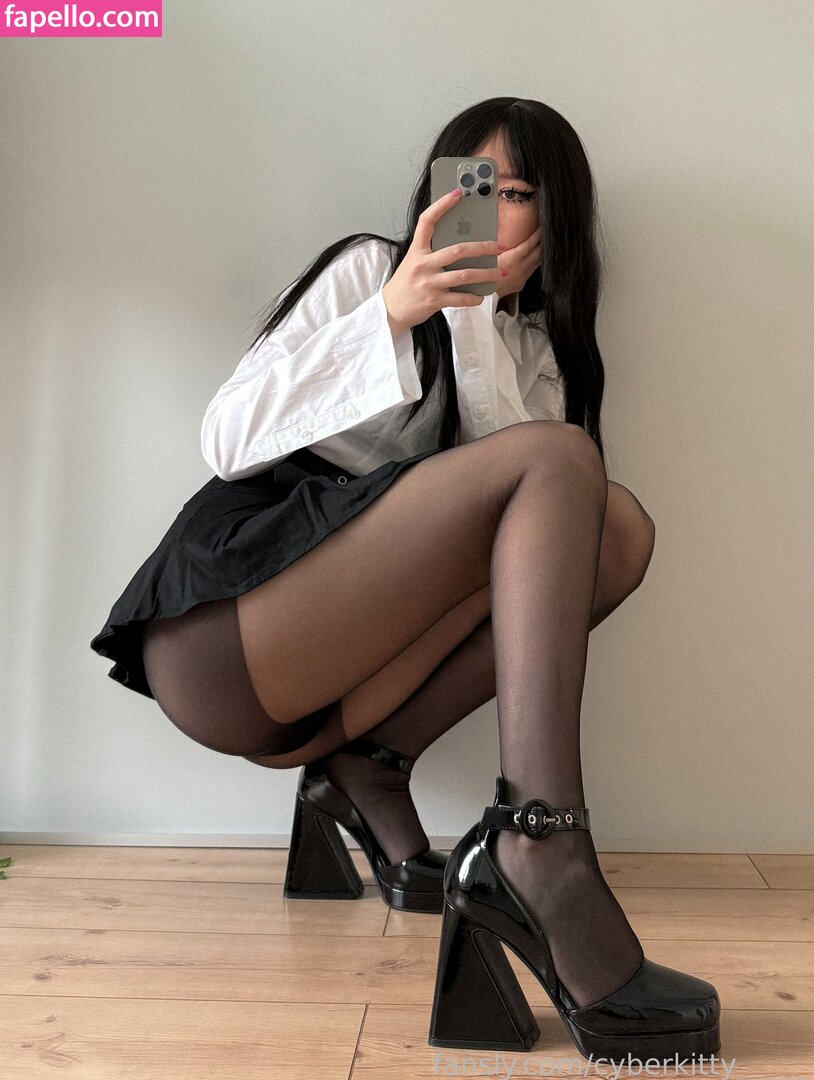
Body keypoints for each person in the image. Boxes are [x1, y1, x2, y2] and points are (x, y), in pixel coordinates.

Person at [89, 96, 720, 1061]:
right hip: (228, 634)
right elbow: (224, 437)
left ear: (557, 224)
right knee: (561, 465)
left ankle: (368, 768)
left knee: (614, 531)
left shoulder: (537, 352)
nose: (491, 212)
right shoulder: (368, 271)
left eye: (520, 194)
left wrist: (477, 324)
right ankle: (541, 850)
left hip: (337, 686)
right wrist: (397, 311)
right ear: (437, 193)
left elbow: (535, 526)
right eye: (476, 186)